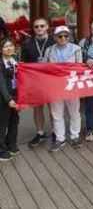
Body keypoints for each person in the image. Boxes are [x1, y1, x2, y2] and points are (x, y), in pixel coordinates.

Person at [44, 26, 83, 151]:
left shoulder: (76, 49)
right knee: (57, 114)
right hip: (55, 85)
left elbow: (80, 67)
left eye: (66, 35)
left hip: (71, 84)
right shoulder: (49, 50)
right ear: (55, 37)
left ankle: (75, 135)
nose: (63, 38)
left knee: (74, 112)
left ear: (69, 37)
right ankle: (60, 138)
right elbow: (44, 68)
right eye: (60, 36)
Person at [20, 17, 55, 148]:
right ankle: (40, 133)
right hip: (35, 81)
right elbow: (23, 63)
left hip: (51, 80)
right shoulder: (27, 43)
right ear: (33, 29)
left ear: (47, 27)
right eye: (36, 27)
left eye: (42, 26)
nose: (39, 29)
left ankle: (55, 131)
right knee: (37, 108)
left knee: (54, 107)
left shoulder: (54, 40)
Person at [0, 38, 19, 161]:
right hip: (3, 98)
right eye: (6, 47)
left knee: (14, 121)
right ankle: (1, 149)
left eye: (11, 46)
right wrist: (9, 100)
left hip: (16, 96)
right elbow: (1, 84)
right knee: (2, 124)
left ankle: (11, 144)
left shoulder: (15, 61)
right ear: (1, 50)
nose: (9, 48)